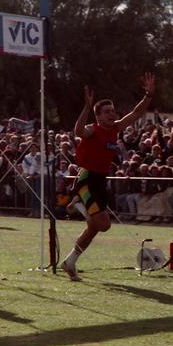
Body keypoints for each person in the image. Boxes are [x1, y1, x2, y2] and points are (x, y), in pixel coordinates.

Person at [62, 73, 155, 281]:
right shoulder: (92, 130)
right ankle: (78, 203)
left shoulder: (115, 128)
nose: (112, 114)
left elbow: (136, 113)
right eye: (107, 112)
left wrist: (148, 94)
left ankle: (69, 263)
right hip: (86, 179)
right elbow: (77, 130)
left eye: (113, 111)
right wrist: (86, 107)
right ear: (98, 116)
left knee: (94, 228)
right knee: (103, 224)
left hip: (100, 181)